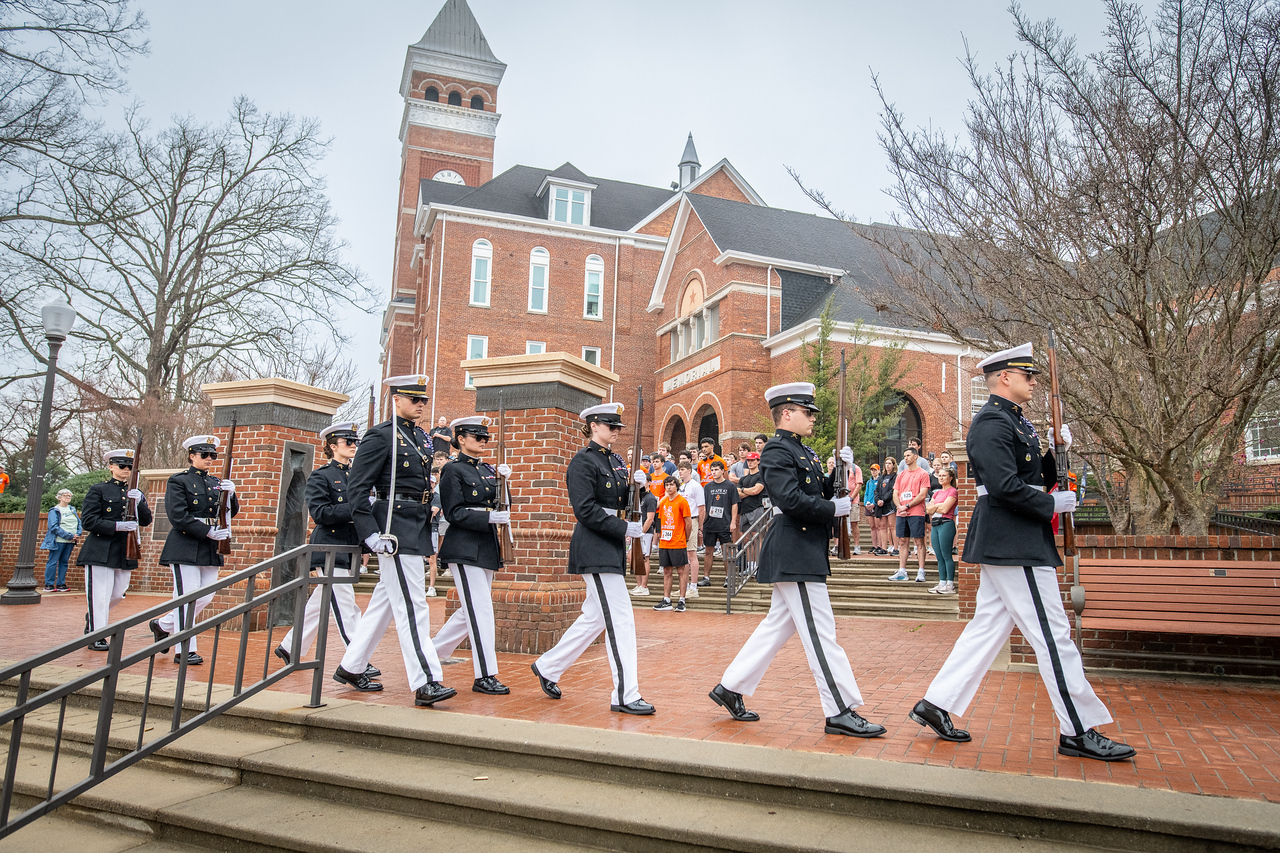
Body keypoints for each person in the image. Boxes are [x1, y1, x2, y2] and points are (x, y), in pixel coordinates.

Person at [909, 343, 1135, 761]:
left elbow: (1032, 473)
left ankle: (936, 704)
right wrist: (1051, 504)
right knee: (1053, 636)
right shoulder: (991, 423)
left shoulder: (1017, 422)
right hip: (1013, 540)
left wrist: (1053, 450)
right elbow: (1003, 486)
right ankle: (1078, 729)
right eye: (1028, 375)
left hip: (1013, 537)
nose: (1034, 382)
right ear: (1006, 378)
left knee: (987, 629)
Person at [709, 382, 886, 738]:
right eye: (807, 412)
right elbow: (790, 500)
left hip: (803, 548)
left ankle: (730, 687)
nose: (813, 419)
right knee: (822, 633)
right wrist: (829, 508)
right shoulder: (776, 451)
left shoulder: (803, 451)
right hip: (795, 547)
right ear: (786, 413)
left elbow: (818, 490)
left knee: (776, 627)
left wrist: (841, 471)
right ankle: (839, 709)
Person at [332, 375, 456, 707]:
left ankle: (351, 666)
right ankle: (426, 679)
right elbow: (357, 489)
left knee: (383, 605)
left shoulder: (422, 439)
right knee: (413, 606)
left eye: (423, 400)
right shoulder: (380, 436)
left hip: (415, 522)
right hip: (393, 524)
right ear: (396, 399)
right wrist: (369, 533)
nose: (420, 405)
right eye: (413, 399)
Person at [531, 402, 654, 715]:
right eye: (611, 426)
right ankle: (625, 693)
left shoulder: (613, 461)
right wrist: (625, 526)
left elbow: (620, 500)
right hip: (594, 545)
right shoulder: (583, 463)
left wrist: (638, 487)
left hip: (609, 546)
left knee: (595, 618)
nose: (616, 431)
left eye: (618, 427)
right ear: (593, 425)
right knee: (621, 618)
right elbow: (585, 509)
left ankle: (548, 666)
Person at [273, 423, 379, 679]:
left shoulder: (357, 475)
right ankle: (357, 660)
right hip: (329, 547)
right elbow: (320, 513)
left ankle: (290, 647)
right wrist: (357, 509)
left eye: (355, 442)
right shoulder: (321, 476)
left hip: (349, 548)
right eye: (348, 442)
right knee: (346, 606)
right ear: (333, 446)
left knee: (320, 604)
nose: (354, 446)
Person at [431, 416, 513, 696]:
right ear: (461, 439)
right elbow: (453, 513)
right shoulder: (453, 470)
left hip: (486, 546)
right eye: (477, 437)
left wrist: (504, 481)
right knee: (480, 610)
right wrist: (489, 516)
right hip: (464, 546)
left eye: (485, 437)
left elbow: (503, 504)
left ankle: (428, 656)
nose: (482, 441)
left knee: (469, 612)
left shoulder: (488, 469)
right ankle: (485, 674)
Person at [149, 435, 240, 665]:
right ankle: (185, 649)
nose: (210, 459)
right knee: (187, 596)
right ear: (192, 456)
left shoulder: (215, 482)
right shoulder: (178, 481)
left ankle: (163, 625)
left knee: (206, 596)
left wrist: (232, 494)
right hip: (185, 544)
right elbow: (178, 515)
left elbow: (229, 512)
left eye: (213, 455)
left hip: (210, 546)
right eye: (204, 454)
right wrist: (207, 531)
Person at [78, 449, 152, 646]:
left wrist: (139, 503)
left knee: (119, 593)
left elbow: (146, 520)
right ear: (111, 467)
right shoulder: (99, 490)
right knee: (100, 595)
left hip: (124, 550)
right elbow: (88, 521)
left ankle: (93, 617)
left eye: (130, 466)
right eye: (122, 465)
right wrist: (117, 526)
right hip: (100, 549)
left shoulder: (135, 493)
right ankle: (97, 635)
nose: (126, 469)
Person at [888, 447, 930, 583]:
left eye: (908, 455)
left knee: (918, 541)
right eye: (904, 455)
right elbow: (895, 493)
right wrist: (900, 507)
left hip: (916, 512)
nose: (905, 458)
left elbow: (922, 494)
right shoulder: (901, 475)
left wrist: (907, 505)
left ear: (916, 457)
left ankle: (921, 570)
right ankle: (902, 571)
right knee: (902, 541)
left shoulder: (923, 474)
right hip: (901, 512)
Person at [652, 475, 693, 612]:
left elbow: (688, 523)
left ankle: (681, 599)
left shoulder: (682, 501)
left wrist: (685, 537)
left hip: (678, 541)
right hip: (664, 542)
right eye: (667, 485)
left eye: (671, 484)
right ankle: (666, 599)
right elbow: (660, 519)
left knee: (681, 570)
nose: (669, 487)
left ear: (677, 486)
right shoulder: (663, 502)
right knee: (666, 570)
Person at [701, 460, 738, 586]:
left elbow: (734, 504)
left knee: (726, 551)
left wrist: (733, 522)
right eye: (712, 470)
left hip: (725, 523)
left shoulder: (730, 486)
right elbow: (704, 506)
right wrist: (702, 523)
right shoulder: (708, 487)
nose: (714, 472)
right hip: (710, 523)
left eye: (716, 469)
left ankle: (729, 577)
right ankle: (706, 577)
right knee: (708, 550)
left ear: (723, 470)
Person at [926, 467, 959, 594]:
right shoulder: (937, 493)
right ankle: (942, 582)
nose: (941, 477)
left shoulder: (952, 491)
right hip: (935, 524)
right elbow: (928, 510)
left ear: (950, 477)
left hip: (946, 523)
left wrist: (935, 507)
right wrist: (937, 506)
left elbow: (945, 509)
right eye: (939, 475)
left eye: (944, 475)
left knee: (946, 555)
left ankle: (950, 584)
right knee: (938, 556)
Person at [41, 489, 81, 592]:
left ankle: (61, 584)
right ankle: (49, 584)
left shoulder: (72, 509)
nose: (68, 497)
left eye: (69, 496)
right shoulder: (54, 510)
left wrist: (78, 533)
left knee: (64, 562)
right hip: (58, 540)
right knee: (53, 561)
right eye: (65, 495)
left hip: (70, 541)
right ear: (59, 497)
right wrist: (68, 535)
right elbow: (53, 527)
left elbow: (78, 522)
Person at [676, 460, 705, 596]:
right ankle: (684, 586)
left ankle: (693, 587)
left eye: (682, 469)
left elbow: (701, 508)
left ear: (689, 471)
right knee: (683, 555)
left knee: (691, 554)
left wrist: (700, 527)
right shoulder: (682, 486)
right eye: (679, 470)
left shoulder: (696, 486)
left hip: (692, 520)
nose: (680, 472)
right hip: (681, 521)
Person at [630, 479, 659, 597]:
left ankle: (644, 586)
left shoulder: (650, 498)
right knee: (633, 557)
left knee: (645, 557)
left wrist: (642, 531)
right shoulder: (638, 497)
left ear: (649, 483)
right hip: (636, 530)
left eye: (643, 482)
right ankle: (638, 585)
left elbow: (650, 518)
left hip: (645, 532)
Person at [873, 457, 898, 556]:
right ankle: (883, 547)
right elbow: (876, 490)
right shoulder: (882, 477)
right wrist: (878, 500)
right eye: (886, 463)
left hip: (890, 504)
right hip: (881, 505)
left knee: (892, 526)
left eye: (889, 463)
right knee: (882, 527)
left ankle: (896, 547)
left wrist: (884, 499)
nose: (887, 465)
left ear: (893, 465)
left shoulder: (895, 476)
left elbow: (893, 490)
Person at [736, 452, 766, 531]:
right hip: (744, 510)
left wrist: (743, 489)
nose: (750, 462)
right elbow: (737, 494)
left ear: (758, 461)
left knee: (756, 535)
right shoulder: (743, 478)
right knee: (745, 538)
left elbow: (755, 491)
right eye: (748, 460)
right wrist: (750, 491)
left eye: (752, 460)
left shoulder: (761, 476)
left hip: (756, 508)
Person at [846, 457, 864, 556]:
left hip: (853, 501)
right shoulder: (840, 468)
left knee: (854, 524)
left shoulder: (855, 468)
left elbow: (858, 485)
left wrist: (851, 498)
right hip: (841, 501)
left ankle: (857, 545)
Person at [863, 464, 882, 553]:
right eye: (872, 470)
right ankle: (874, 545)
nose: (873, 472)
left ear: (878, 471)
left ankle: (880, 545)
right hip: (868, 505)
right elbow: (866, 493)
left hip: (876, 506)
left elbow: (879, 493)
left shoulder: (880, 481)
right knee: (872, 527)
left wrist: (874, 503)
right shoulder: (869, 482)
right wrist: (865, 503)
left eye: (875, 470)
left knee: (878, 526)